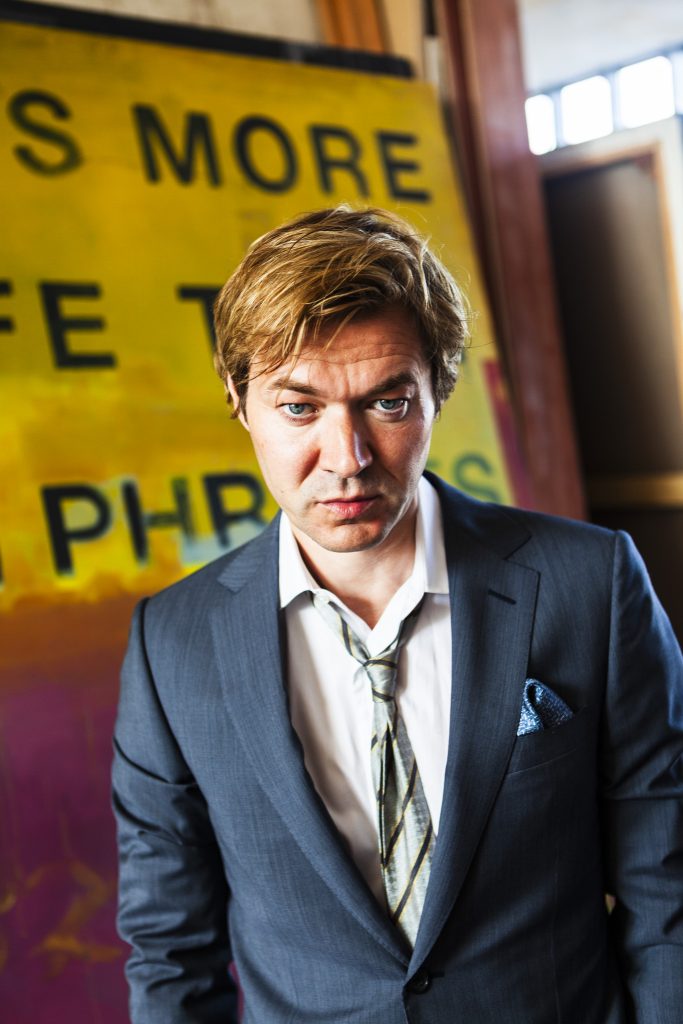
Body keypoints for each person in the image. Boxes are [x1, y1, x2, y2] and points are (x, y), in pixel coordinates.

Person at [113, 206, 683, 1024]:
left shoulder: (587, 582)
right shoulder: (171, 645)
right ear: (239, 401)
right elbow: (170, 950)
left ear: (436, 392)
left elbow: (665, 883)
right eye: (299, 408)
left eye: (386, 403)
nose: (347, 460)